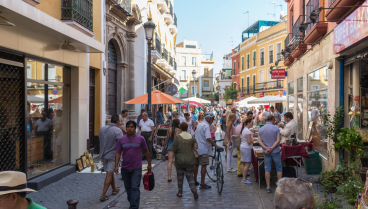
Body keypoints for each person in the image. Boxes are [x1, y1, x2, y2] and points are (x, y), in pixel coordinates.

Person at [115, 121, 151, 209]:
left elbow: (146, 151)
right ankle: (132, 200)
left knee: (135, 187)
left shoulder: (140, 138)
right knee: (128, 188)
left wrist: (149, 163)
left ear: (135, 128)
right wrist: (116, 165)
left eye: (131, 127)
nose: (129, 128)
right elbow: (118, 152)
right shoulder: (121, 139)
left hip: (137, 167)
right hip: (125, 167)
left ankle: (134, 206)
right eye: (128, 127)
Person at [194, 112, 222, 189]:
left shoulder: (200, 124)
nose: (213, 121)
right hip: (203, 149)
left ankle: (195, 180)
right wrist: (215, 145)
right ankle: (202, 183)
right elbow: (208, 138)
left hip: (197, 148)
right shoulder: (206, 126)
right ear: (209, 119)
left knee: (196, 165)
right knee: (204, 165)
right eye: (212, 119)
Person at [171, 122, 199, 199]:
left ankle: (180, 192)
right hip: (190, 160)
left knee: (180, 177)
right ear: (187, 128)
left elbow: (173, 148)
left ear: (180, 128)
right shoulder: (192, 137)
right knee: (190, 176)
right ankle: (193, 189)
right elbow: (196, 146)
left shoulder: (178, 137)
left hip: (180, 160)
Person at [99, 114, 123, 202]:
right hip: (113, 155)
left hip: (103, 154)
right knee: (109, 173)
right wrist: (121, 156)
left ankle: (114, 189)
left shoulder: (102, 129)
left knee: (110, 171)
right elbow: (120, 144)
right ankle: (103, 194)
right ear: (117, 122)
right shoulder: (117, 130)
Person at [258, 115, 282, 193]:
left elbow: (259, 141)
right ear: (273, 120)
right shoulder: (276, 128)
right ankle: (279, 186)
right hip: (275, 151)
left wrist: (266, 148)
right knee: (279, 168)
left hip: (266, 151)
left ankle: (268, 187)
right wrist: (271, 148)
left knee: (267, 168)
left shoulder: (261, 129)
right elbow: (278, 140)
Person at [240, 118, 254, 184]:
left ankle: (244, 177)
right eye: (251, 123)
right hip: (246, 148)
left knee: (243, 163)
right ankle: (244, 178)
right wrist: (253, 141)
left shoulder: (244, 129)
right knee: (247, 163)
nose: (252, 124)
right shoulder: (247, 131)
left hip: (243, 146)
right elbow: (249, 141)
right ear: (248, 123)